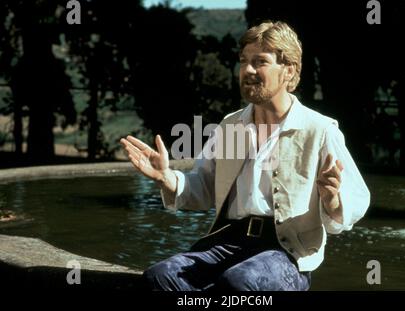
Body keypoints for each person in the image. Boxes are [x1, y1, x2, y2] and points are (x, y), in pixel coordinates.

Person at [120, 21, 370, 291]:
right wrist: (166, 178)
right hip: (227, 242)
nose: (248, 70)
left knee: (239, 283)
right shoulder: (231, 126)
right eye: (243, 61)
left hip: (286, 254)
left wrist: (332, 200)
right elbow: (203, 186)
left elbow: (358, 198)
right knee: (159, 277)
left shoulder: (319, 129)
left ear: (289, 70)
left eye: (260, 61)